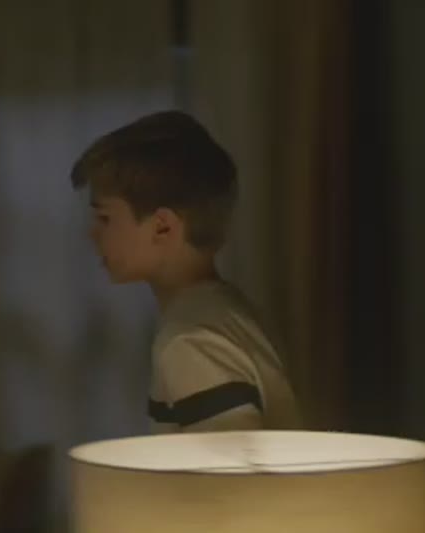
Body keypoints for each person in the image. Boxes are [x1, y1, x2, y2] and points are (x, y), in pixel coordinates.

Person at [71, 110, 302, 433]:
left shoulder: (191, 342)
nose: (92, 234)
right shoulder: (226, 313)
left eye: (105, 218)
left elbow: (228, 466)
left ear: (163, 227)